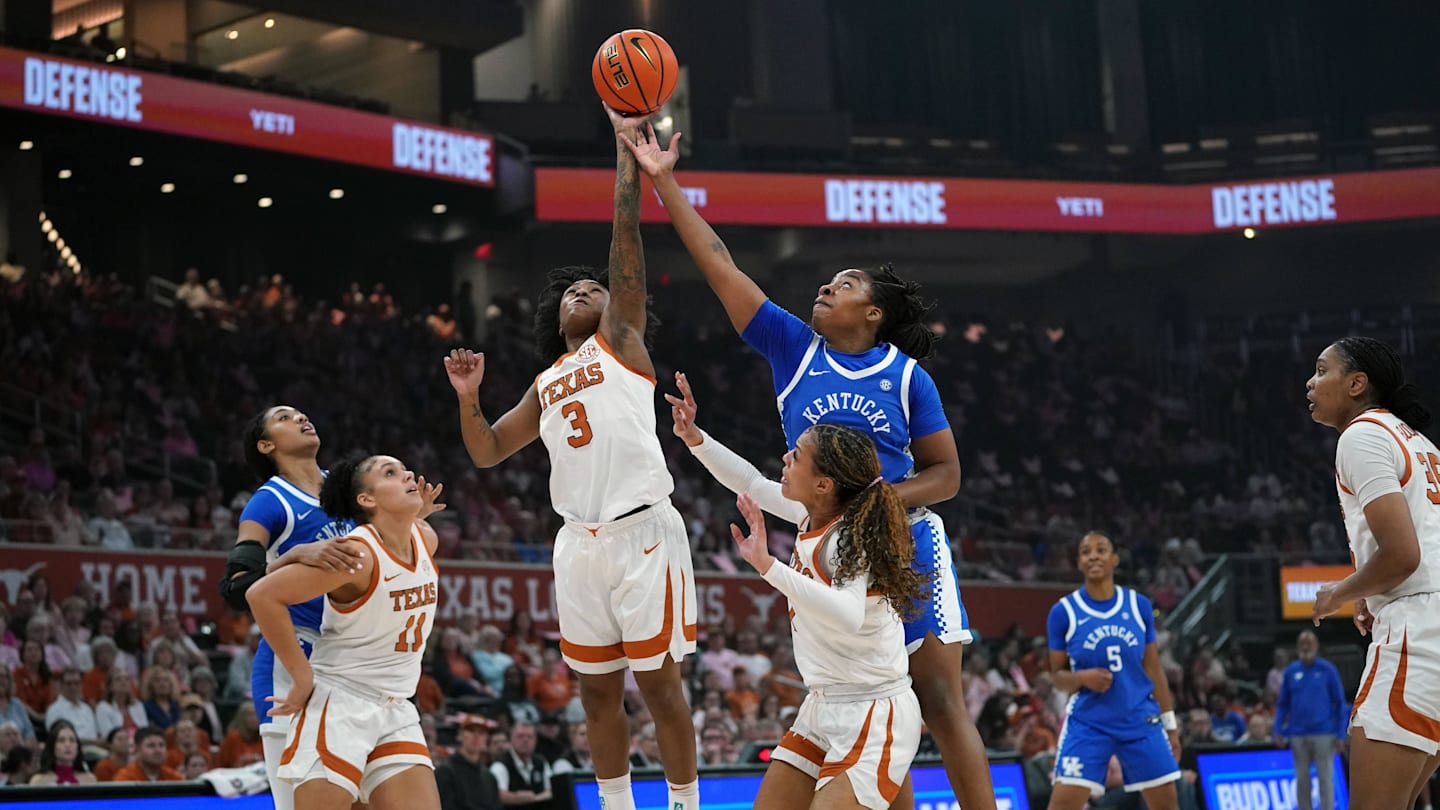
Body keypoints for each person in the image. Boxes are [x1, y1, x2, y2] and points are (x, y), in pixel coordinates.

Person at [626, 126, 995, 809]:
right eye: (829, 281)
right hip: (821, 532)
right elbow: (721, 266)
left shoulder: (906, 376)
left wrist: (877, 501)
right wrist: (663, 181)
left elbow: (947, 475)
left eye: (845, 284)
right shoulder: (793, 349)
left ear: (873, 313)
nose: (827, 285)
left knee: (939, 700)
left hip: (903, 536)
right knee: (866, 691)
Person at [445, 107, 698, 810]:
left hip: (642, 531)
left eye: (594, 287)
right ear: (556, 320)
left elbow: (625, 245)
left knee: (659, 687)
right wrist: (468, 398)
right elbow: (490, 450)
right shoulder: (546, 381)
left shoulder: (621, 338)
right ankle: (616, 804)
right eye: (571, 292)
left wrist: (627, 158)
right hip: (577, 543)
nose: (584, 291)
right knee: (595, 691)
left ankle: (683, 803)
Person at [671, 386, 925, 809]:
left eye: (796, 457)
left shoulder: (847, 540)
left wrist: (769, 567)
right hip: (823, 706)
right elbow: (751, 481)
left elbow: (846, 614)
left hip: (873, 710)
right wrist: (695, 438)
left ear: (824, 484)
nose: (785, 460)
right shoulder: (810, 514)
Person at [218, 406, 438, 810]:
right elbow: (236, 587)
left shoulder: (342, 488)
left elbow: (384, 548)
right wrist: (290, 557)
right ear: (266, 445)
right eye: (284, 418)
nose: (301, 418)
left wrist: (410, 519)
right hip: (294, 666)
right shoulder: (269, 503)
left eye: (301, 413)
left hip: (355, 661)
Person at [1307, 337, 1440, 810]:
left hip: (1418, 631)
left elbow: (1403, 555)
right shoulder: (1417, 440)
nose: (1311, 381)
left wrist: (1338, 593)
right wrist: (1372, 591)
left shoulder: (1361, 435)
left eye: (1322, 370)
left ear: (1357, 383)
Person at [1045, 531, 1181, 810]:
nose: (1093, 555)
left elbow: (1153, 669)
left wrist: (1170, 725)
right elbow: (1058, 678)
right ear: (1079, 562)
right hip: (1089, 722)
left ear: (1115, 559)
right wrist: (1082, 678)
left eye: (1101, 549)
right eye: (1085, 551)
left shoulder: (1138, 605)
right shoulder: (1063, 612)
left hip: (1139, 719)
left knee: (1167, 806)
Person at [435, 714, 502, 810]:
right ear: (460, 735)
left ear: (486, 739)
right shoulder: (445, 772)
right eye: (471, 731)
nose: (476, 736)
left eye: (481, 733)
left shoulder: (489, 777)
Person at [488, 722, 552, 808]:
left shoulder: (541, 762)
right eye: (520, 736)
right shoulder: (500, 765)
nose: (525, 740)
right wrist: (518, 798)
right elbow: (497, 795)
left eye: (530, 737)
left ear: (535, 741)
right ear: (511, 740)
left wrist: (533, 798)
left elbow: (552, 790)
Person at [28, 719, 96, 785]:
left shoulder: (90, 780)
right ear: (52, 746)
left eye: (72, 740)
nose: (68, 745)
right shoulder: (38, 781)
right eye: (61, 740)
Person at [112, 726, 184, 782]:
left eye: (161, 745)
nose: (158, 750)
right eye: (151, 745)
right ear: (137, 750)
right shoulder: (125, 778)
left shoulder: (175, 778)